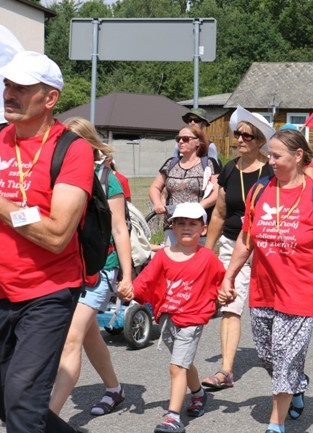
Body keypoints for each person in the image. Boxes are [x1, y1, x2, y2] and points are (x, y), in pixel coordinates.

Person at [0, 51, 94, 433]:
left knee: (23, 401)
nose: (9, 93)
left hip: (47, 293)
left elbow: (57, 234)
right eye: (7, 84)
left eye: (21, 87)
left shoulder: (73, 150)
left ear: (49, 98)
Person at [217, 129, 313, 433]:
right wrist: (228, 277)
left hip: (300, 293)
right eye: (270, 155)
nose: (269, 161)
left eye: (276, 155)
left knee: (286, 359)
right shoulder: (260, 190)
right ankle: (297, 384)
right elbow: (246, 239)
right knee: (267, 354)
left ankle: (276, 424)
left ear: (298, 156)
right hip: (264, 291)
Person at [50, 117, 133, 417]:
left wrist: (127, 275)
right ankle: (115, 389)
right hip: (68, 266)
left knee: (71, 337)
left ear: (85, 144)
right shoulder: (57, 175)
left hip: (101, 268)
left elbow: (120, 229)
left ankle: (48, 417)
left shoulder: (108, 179)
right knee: (88, 335)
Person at [119, 202, 225, 433]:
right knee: (183, 363)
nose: (186, 228)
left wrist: (227, 293)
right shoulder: (163, 256)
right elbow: (145, 281)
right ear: (172, 227)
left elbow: (222, 282)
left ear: (203, 229)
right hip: (167, 318)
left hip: (193, 318)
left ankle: (172, 417)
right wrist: (130, 290)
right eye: (181, 223)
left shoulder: (207, 257)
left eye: (192, 223)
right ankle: (199, 394)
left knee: (177, 366)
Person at [201, 109, 274, 391]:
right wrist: (208, 251)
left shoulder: (272, 171)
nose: (240, 139)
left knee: (269, 307)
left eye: (247, 135)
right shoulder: (230, 169)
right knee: (229, 303)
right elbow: (219, 214)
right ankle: (226, 370)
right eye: (238, 134)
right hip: (233, 244)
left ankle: (280, 363)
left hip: (268, 248)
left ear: (259, 141)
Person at [149, 123, 219, 246]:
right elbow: (155, 187)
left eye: (185, 139)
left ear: (198, 142)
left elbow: (217, 192)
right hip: (173, 224)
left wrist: (199, 207)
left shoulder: (209, 164)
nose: (180, 142)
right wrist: (157, 203)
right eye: (178, 139)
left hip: (197, 224)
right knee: (173, 260)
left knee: (196, 261)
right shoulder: (170, 164)